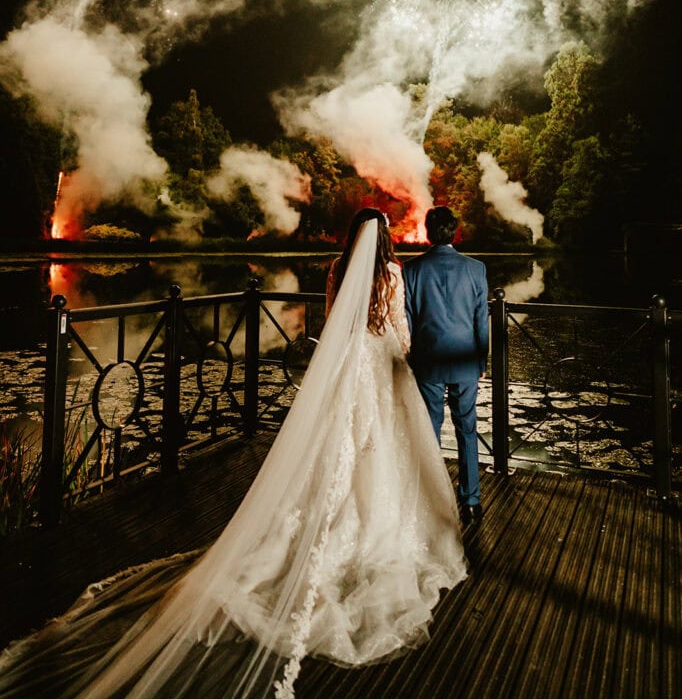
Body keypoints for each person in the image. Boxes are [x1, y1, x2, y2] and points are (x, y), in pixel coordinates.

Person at [0, 208, 467, 699]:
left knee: (335, 443)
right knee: (379, 446)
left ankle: (319, 521)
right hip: (379, 360)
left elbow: (332, 321)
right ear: (387, 238)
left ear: (354, 235)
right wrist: (401, 355)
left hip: (348, 362)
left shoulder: (336, 266)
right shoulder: (392, 272)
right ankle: (373, 524)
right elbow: (399, 327)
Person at [402, 206, 490, 526]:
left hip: (428, 361)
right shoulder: (476, 269)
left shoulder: (411, 270)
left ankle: (431, 500)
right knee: (467, 429)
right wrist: (482, 360)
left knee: (429, 430)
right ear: (454, 232)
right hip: (466, 360)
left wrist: (411, 359)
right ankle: (471, 503)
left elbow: (408, 321)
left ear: (427, 232)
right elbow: (482, 319)